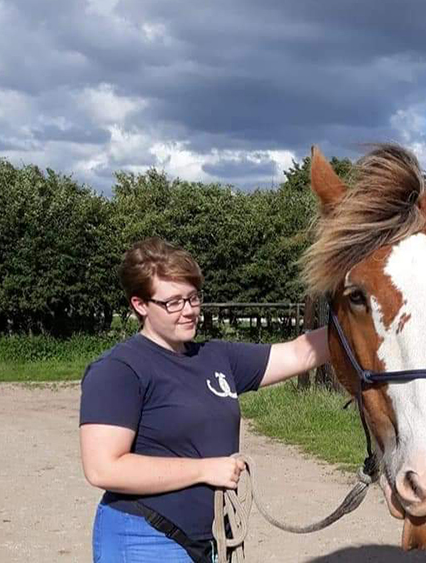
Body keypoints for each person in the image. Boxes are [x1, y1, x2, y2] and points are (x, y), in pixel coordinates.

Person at [79, 237, 330, 562]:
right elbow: (103, 469)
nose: (188, 311)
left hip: (210, 539)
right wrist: (203, 471)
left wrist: (373, 315)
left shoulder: (215, 356)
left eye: (193, 298)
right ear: (140, 305)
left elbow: (298, 352)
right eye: (173, 302)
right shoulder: (118, 370)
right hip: (144, 538)